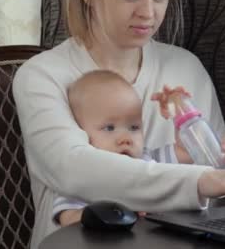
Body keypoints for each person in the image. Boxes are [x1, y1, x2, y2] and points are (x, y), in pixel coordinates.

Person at [12, 0, 225, 247]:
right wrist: (201, 181)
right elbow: (76, 169)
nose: (148, 11)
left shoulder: (185, 68)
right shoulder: (41, 76)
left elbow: (214, 182)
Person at [53, 70, 191, 226]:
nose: (126, 139)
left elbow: (187, 151)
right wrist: (118, 212)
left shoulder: (149, 161)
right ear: (80, 133)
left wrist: (180, 111)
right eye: (109, 128)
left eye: (133, 127)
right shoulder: (82, 178)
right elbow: (68, 219)